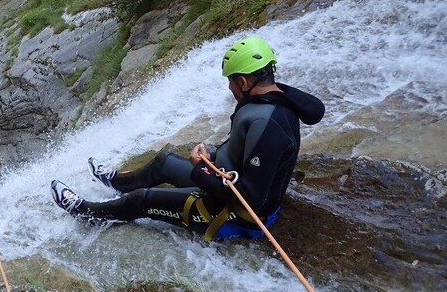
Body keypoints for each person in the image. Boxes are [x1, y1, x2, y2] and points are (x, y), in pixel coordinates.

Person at [50, 36, 325, 240]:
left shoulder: (270, 124)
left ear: (243, 82)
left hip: (232, 215)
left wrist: (200, 168)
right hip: (223, 181)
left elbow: (249, 200)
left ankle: (87, 212)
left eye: (231, 80)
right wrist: (213, 156)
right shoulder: (271, 99)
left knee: (142, 199)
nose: (229, 87)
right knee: (163, 162)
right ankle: (116, 182)